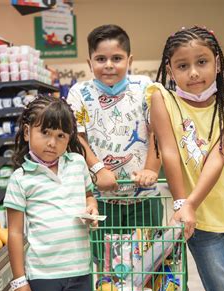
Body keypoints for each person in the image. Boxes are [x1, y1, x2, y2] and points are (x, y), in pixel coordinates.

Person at [147, 26, 224, 291]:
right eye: (183, 65)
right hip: (198, 221)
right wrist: (184, 203)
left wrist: (190, 202)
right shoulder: (162, 99)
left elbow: (217, 160)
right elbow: (169, 151)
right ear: (169, 69)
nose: (193, 72)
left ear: (217, 63)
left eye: (201, 62)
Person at [5, 95, 98, 291]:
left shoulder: (77, 163)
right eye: (44, 133)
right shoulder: (21, 179)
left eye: (60, 136)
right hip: (42, 274)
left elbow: (89, 195)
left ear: (69, 138)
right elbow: (16, 233)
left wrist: (91, 207)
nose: (52, 143)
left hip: (80, 270)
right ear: (27, 132)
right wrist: (19, 280)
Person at [66, 24, 162, 235]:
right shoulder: (79, 93)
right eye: (101, 59)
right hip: (100, 201)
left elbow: (158, 131)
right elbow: (77, 138)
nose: (109, 65)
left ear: (130, 60)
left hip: (145, 197)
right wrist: (98, 169)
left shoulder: (145, 87)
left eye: (117, 58)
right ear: (89, 63)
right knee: (107, 264)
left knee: (149, 260)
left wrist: (151, 170)